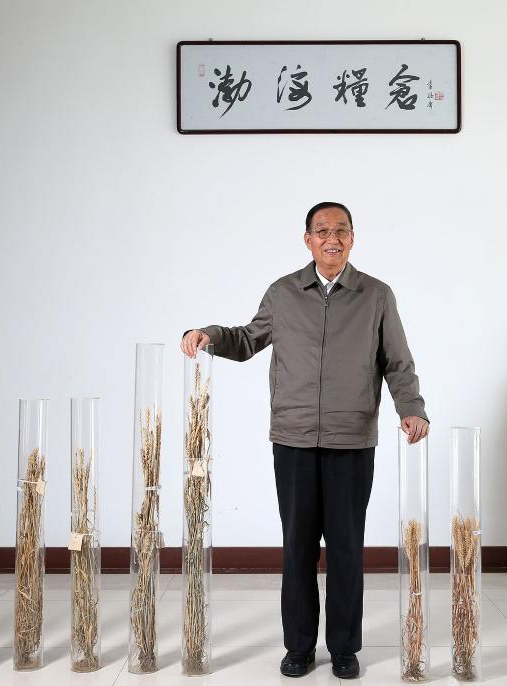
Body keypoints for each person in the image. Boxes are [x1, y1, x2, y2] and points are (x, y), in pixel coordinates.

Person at [181, 201, 429, 679]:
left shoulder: (376, 295)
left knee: (346, 549)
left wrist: (412, 408)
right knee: (297, 547)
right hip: (293, 439)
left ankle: (344, 648)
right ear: (308, 240)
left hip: (351, 439)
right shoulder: (283, 293)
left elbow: (397, 362)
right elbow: (247, 339)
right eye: (322, 231)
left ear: (352, 238)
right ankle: (298, 647)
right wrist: (208, 334)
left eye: (341, 230)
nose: (331, 238)